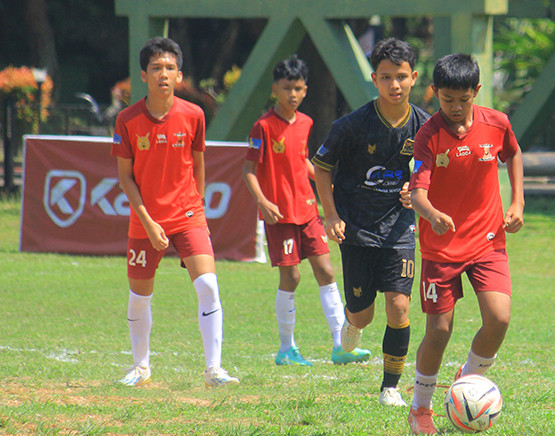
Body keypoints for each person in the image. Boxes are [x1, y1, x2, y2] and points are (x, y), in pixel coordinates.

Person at [406, 53, 524, 435]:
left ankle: (468, 379)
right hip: (441, 249)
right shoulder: (428, 136)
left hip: (489, 240)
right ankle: (420, 409)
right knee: (439, 331)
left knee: (499, 318)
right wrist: (431, 214)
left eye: (463, 99)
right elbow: (417, 192)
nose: (455, 108)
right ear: (434, 93)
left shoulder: (497, 123)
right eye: (447, 100)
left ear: (475, 92)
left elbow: (514, 154)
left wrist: (518, 202)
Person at [111, 36, 239, 388]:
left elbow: (198, 166)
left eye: (169, 68)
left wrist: (195, 209)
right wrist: (149, 222)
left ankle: (214, 369)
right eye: (156, 68)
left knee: (209, 286)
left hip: (188, 216)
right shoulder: (127, 120)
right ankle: (141, 368)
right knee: (140, 297)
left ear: (179, 75)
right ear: (143, 75)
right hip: (144, 220)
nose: (163, 74)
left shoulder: (194, 115)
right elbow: (125, 178)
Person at [312, 38, 431, 407]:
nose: (394, 85)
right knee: (363, 316)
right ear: (373, 79)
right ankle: (351, 321)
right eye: (385, 77)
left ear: (414, 77)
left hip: (400, 228)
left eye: (400, 77)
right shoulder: (352, 125)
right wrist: (330, 215)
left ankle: (390, 387)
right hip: (357, 229)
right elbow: (322, 167)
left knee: (399, 306)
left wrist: (419, 192)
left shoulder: (425, 127)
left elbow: (433, 172)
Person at [242, 55, 370, 367]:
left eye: (298, 88)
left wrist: (327, 185)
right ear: (275, 89)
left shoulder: (306, 123)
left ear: (305, 89)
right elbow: (248, 169)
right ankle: (286, 348)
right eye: (287, 88)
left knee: (326, 271)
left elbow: (302, 161)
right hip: (280, 215)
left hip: (308, 209)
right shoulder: (262, 127)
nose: (293, 94)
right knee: (293, 276)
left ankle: (342, 346)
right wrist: (262, 201)